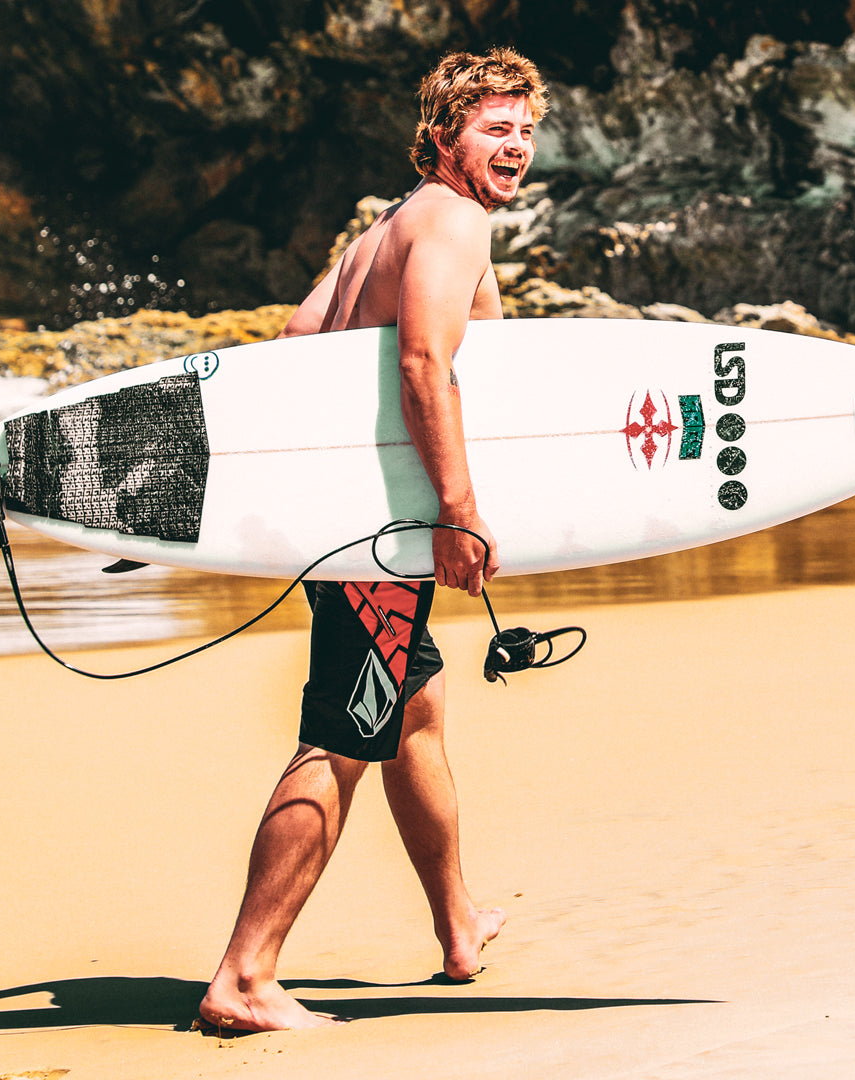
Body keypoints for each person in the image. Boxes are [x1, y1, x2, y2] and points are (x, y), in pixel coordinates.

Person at [199, 47, 549, 1033]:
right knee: (346, 734)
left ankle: (458, 925)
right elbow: (427, 360)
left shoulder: (382, 231)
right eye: (494, 128)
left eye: (525, 131)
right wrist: (457, 507)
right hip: (386, 535)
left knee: (415, 711)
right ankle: (245, 975)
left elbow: (295, 350)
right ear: (445, 135)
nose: (514, 147)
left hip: (348, 520)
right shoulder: (453, 222)